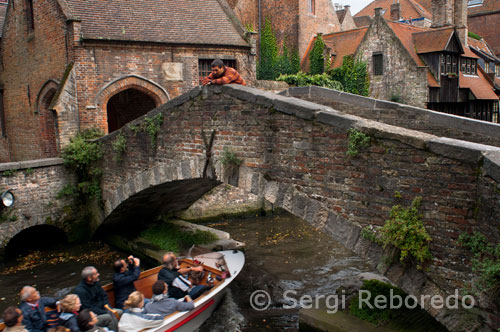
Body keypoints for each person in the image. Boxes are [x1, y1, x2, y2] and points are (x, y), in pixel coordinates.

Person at [73, 267, 119, 332]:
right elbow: (89, 308)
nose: (98, 274)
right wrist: (105, 312)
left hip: (103, 308)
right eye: (96, 274)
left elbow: (104, 295)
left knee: (120, 312)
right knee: (109, 317)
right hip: (92, 317)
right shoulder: (81, 291)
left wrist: (108, 307)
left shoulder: (96, 283)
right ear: (89, 278)